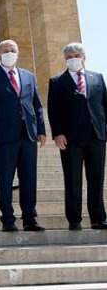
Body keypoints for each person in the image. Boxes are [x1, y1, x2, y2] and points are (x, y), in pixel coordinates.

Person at [0, 39, 46, 232]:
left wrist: (41, 130)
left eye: (13, 50)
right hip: (4, 135)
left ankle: (29, 218)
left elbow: (37, 106)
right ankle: (8, 219)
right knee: (6, 178)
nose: (9, 53)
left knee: (29, 178)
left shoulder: (28, 76)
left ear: (17, 53)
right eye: (5, 50)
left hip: (28, 134)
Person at [47, 42, 107, 230]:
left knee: (96, 178)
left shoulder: (97, 78)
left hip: (96, 135)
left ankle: (98, 217)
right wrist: (57, 133)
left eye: (76, 55)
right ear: (65, 59)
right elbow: (54, 110)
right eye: (69, 56)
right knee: (73, 179)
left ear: (83, 57)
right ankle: (74, 219)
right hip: (71, 138)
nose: (73, 59)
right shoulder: (57, 81)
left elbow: (104, 104)